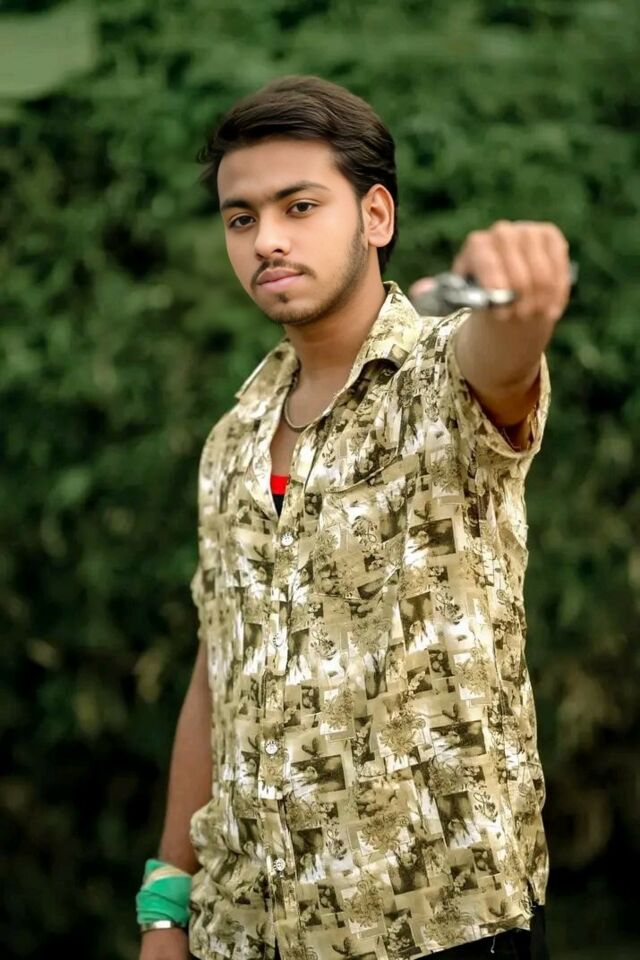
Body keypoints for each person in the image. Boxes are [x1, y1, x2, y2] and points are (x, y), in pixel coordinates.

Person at [136, 75, 571, 960]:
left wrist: (522, 303)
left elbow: (502, 359)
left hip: (438, 930)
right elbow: (218, 667)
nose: (268, 239)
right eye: (242, 217)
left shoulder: (441, 382)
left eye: (299, 206)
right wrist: (166, 902)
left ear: (375, 216)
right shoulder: (233, 438)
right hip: (242, 933)